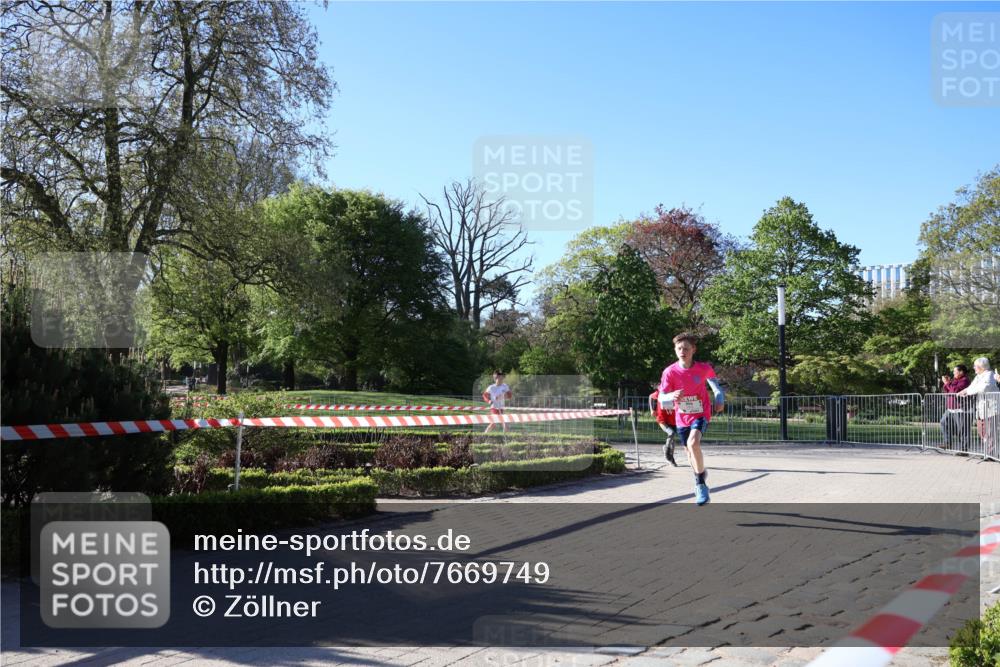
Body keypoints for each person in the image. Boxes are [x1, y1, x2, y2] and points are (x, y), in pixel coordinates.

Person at [658, 332, 725, 505]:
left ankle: (700, 484)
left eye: (686, 348)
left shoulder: (703, 368)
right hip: (682, 418)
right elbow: (662, 399)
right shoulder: (669, 372)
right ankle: (700, 473)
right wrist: (673, 395)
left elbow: (716, 387)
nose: (682, 351)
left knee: (693, 443)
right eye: (679, 348)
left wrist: (719, 398)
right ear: (675, 350)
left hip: (701, 413)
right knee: (689, 453)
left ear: (693, 350)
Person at [957, 357, 999, 457]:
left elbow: (984, 388)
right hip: (981, 409)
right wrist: (963, 391)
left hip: (991, 409)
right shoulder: (978, 376)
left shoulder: (990, 375)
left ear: (981, 367)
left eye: (975, 366)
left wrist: (969, 392)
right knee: (982, 432)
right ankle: (987, 452)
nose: (974, 368)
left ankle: (991, 454)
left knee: (990, 432)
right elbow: (972, 386)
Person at [939, 364, 971, 449]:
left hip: (961, 409)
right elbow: (947, 390)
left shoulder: (965, 380)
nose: (953, 373)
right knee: (943, 422)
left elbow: (955, 390)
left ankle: (964, 449)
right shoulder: (954, 380)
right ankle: (948, 443)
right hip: (950, 409)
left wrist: (947, 383)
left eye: (955, 371)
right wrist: (947, 383)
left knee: (962, 430)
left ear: (961, 372)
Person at [648, 385, 678, 466]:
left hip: (673, 419)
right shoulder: (661, 391)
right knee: (671, 433)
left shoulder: (676, 391)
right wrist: (652, 409)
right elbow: (651, 396)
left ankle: (671, 457)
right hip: (662, 419)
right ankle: (667, 454)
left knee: (672, 440)